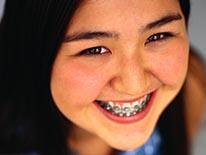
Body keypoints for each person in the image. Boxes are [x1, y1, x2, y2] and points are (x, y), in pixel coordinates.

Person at [0, 0, 202, 155]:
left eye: (158, 36)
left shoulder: (192, 90)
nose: (134, 85)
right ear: (34, 51)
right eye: (94, 50)